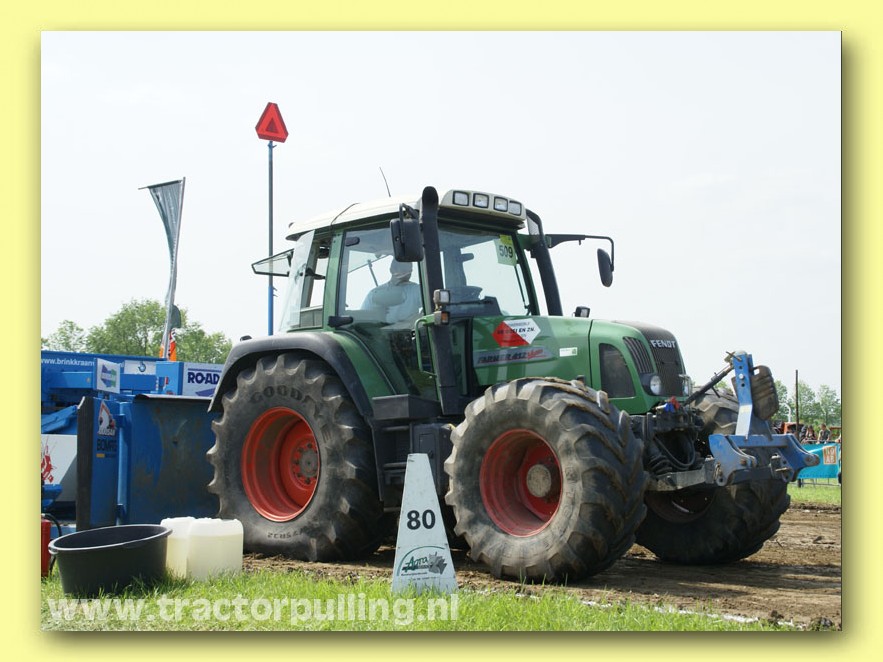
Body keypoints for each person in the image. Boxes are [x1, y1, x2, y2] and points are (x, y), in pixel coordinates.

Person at [361, 259, 423, 325]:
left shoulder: (416, 290)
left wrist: (417, 318)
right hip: (385, 330)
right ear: (392, 270)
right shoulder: (374, 293)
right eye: (404, 269)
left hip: (412, 329)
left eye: (410, 270)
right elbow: (363, 319)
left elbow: (429, 306)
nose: (407, 273)